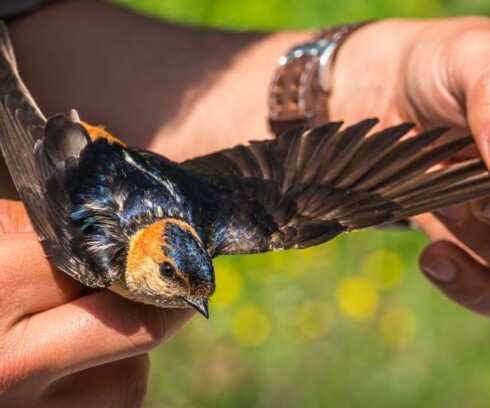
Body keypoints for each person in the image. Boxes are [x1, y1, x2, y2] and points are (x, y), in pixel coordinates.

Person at [1, 0, 490, 405]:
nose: (190, 299)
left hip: (94, 153)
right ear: (154, 259)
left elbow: (33, 25)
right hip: (74, 158)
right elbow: (43, 159)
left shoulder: (209, 228)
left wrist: (379, 87)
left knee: (300, 220)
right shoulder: (103, 258)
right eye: (172, 277)